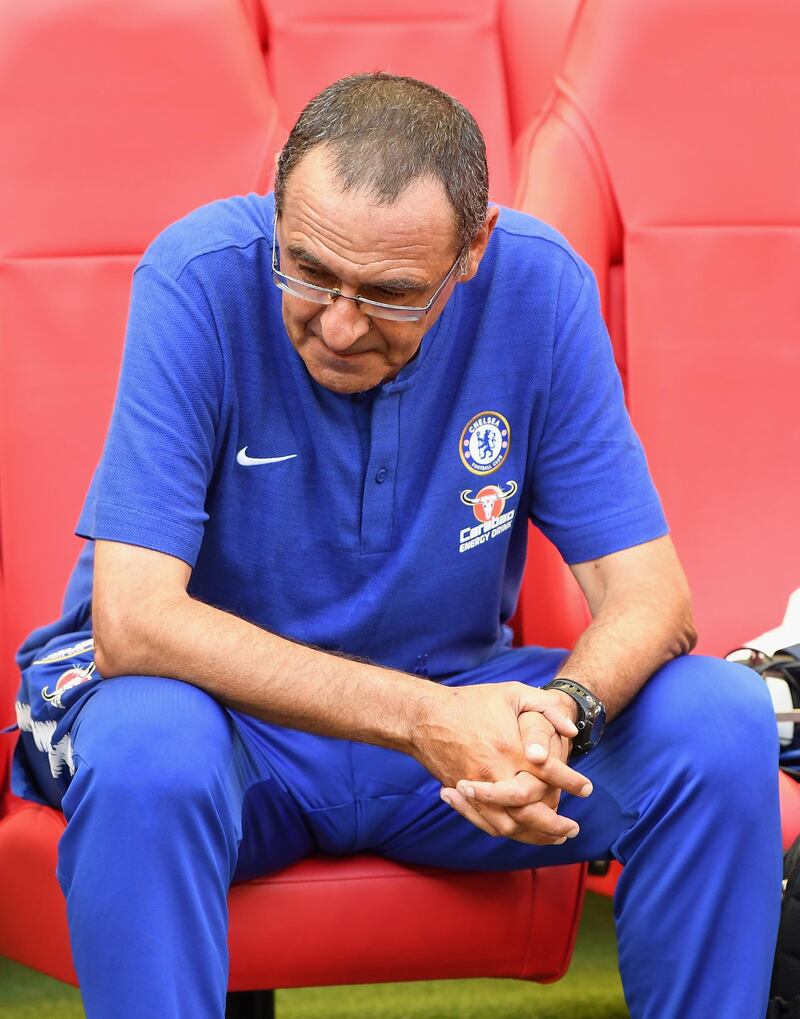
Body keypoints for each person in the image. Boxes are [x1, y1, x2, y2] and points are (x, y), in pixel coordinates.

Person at [11, 72, 781, 1018]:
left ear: (471, 253)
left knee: (720, 717)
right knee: (149, 747)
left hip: (446, 718)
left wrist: (557, 717)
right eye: (307, 271)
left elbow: (653, 597)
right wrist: (423, 718)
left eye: (391, 294)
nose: (337, 323)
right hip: (219, 724)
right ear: (277, 207)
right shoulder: (197, 276)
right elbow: (135, 624)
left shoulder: (540, 286)